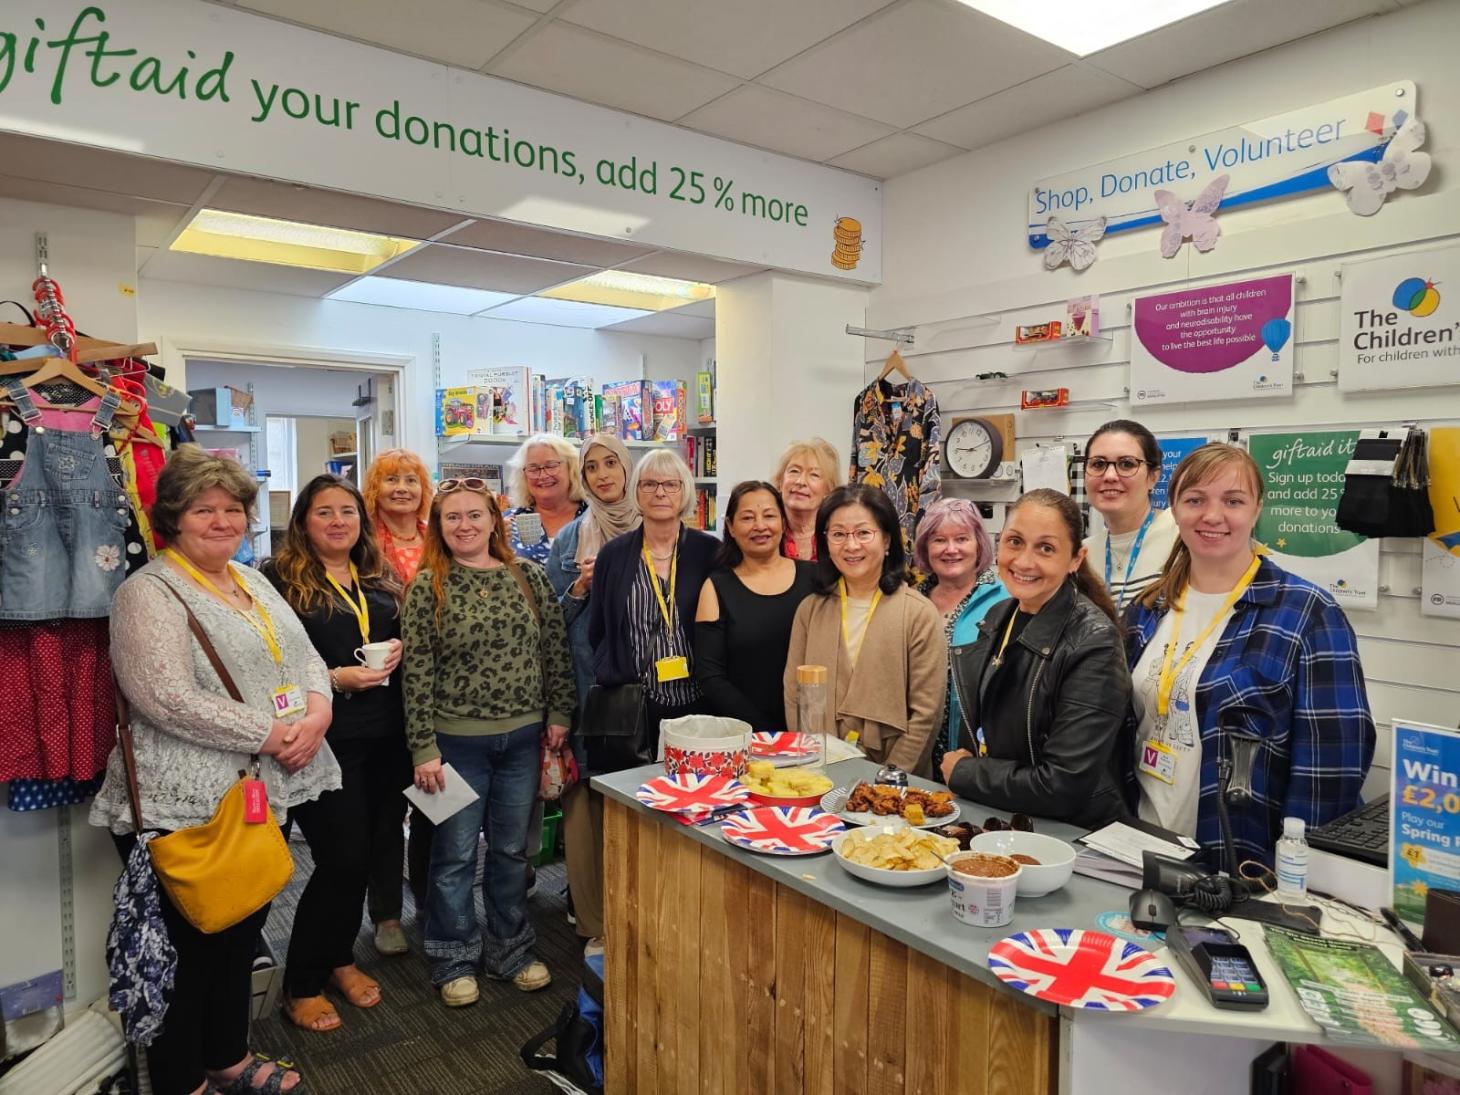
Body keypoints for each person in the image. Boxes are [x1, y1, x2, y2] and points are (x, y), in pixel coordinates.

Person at [90, 447, 338, 1095]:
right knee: (187, 952)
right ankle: (180, 1080)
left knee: (241, 936)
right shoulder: (147, 592)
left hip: (259, 790)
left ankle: (227, 1055)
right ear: (173, 515)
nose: (222, 520)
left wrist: (317, 710)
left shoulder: (252, 579)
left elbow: (307, 656)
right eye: (205, 508)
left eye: (233, 508)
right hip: (184, 800)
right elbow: (164, 695)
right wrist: (274, 731)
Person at [1122, 443, 1375, 866]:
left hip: (1239, 862)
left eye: (1233, 500)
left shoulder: (1307, 613)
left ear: (1257, 509)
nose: (1212, 516)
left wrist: (1294, 879)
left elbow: (1330, 772)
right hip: (1139, 846)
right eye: (1195, 499)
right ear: (1175, 509)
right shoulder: (1148, 607)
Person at [401, 477, 575, 1005]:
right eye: (452, 517)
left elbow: (554, 649)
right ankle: (452, 956)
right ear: (439, 527)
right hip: (455, 746)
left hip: (523, 741)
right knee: (453, 856)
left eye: (474, 515)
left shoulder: (528, 577)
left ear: (493, 521)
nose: (464, 525)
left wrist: (560, 712)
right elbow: (416, 674)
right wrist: (423, 748)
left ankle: (510, 950)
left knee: (509, 852)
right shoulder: (427, 585)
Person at [261, 475, 406, 1033]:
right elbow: (268, 669)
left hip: (386, 736)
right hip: (323, 742)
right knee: (340, 859)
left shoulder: (376, 574)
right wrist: (335, 678)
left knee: (367, 855)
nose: (339, 521)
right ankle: (301, 982)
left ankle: (339, 958)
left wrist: (397, 646)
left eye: (348, 511)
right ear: (302, 522)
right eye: (325, 512)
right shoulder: (275, 582)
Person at [941, 489, 1130, 827]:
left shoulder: (1094, 643)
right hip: (1001, 819)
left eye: (1046, 548)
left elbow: (1063, 784)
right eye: (1015, 542)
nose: (1024, 562)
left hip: (1068, 840)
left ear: (1075, 559)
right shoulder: (1000, 616)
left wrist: (966, 773)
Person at [544, 434, 639, 946]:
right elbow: (550, 624)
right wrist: (580, 588)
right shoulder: (570, 539)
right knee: (584, 811)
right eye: (592, 467)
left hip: (645, 696)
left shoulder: (658, 531)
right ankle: (595, 921)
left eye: (611, 464)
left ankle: (638, 911)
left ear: (627, 469)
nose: (603, 475)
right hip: (587, 691)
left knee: (639, 805)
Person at [783, 485, 946, 776]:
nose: (851, 545)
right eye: (838, 534)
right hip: (818, 772)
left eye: (863, 533)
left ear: (886, 539)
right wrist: (809, 764)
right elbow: (794, 693)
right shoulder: (811, 609)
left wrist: (886, 782)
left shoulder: (918, 614)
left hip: (894, 783)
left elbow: (926, 714)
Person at [588, 448, 718, 762]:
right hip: (634, 705)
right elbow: (598, 630)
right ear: (636, 491)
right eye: (649, 484)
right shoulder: (613, 555)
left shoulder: (710, 552)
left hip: (699, 700)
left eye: (670, 484)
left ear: (685, 491)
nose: (660, 492)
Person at [360, 449, 434, 954]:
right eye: (391, 481)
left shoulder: (440, 533)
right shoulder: (362, 541)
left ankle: (432, 899)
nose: (402, 488)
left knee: (435, 801)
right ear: (375, 489)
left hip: (435, 688)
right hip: (383, 691)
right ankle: (386, 913)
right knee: (386, 809)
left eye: (411, 479)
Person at [695, 481, 817, 730]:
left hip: (811, 727)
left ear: (783, 522)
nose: (760, 526)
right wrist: (766, 731)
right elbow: (711, 678)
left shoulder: (815, 578)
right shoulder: (716, 587)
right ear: (730, 526)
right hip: (744, 733)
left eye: (769, 515)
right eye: (747, 518)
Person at [912, 497, 1008, 775]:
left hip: (976, 749)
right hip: (916, 746)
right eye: (939, 540)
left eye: (962, 539)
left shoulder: (1005, 600)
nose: (951, 549)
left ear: (979, 544)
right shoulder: (910, 599)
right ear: (925, 547)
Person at [1082, 420, 1179, 611]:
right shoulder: (1082, 555)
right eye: (1098, 464)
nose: (1109, 475)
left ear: (1153, 476)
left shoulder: (1182, 534)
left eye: (1126, 464)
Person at [505, 433, 587, 564]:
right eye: (533, 468)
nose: (543, 475)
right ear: (523, 475)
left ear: (571, 468)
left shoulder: (594, 517)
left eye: (551, 466)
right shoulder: (506, 524)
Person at [774, 438, 841, 561]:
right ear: (780, 481)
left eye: (814, 475)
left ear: (828, 489)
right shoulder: (767, 533)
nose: (801, 481)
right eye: (794, 471)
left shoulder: (838, 537)